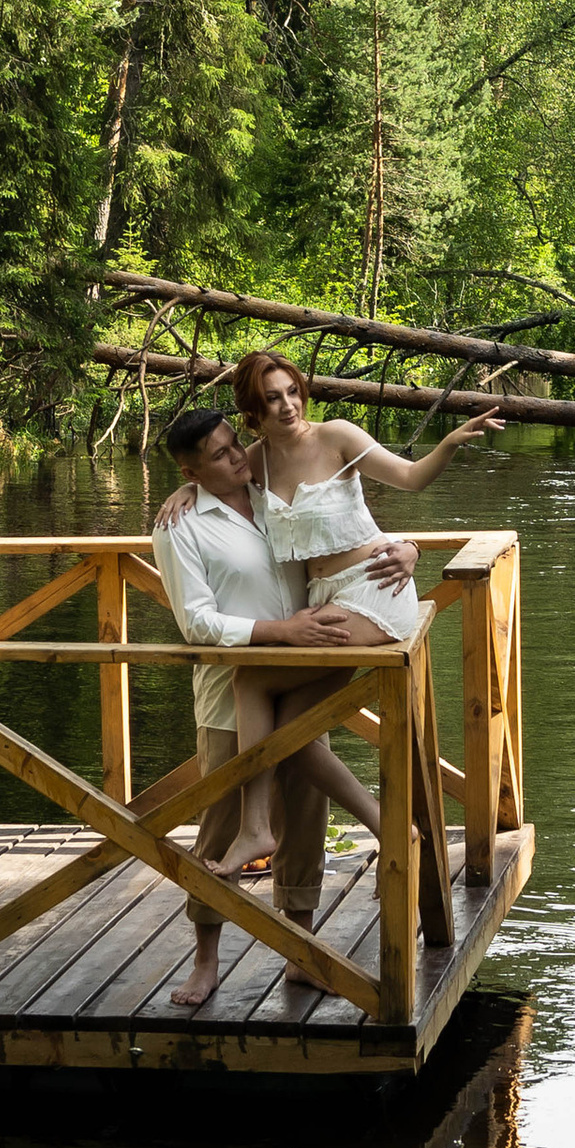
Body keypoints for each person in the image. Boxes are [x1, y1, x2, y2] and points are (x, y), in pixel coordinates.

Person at [157, 350, 505, 869]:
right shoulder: (257, 461)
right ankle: (387, 825)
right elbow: (215, 474)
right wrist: (185, 488)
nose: (287, 405)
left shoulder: (337, 434)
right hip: (323, 603)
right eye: (271, 398)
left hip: (370, 590)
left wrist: (444, 455)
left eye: (292, 391)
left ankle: (260, 830)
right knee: (291, 734)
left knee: (252, 684)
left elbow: (409, 479)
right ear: (254, 409)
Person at [149, 405, 417, 1011]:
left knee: (305, 825)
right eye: (218, 455)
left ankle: (300, 954)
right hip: (234, 695)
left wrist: (409, 548)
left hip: (297, 684)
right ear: (191, 472)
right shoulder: (181, 523)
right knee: (221, 827)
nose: (236, 455)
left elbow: (342, 531)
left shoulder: (269, 493)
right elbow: (196, 623)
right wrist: (280, 632)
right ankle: (206, 960)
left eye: (233, 443)